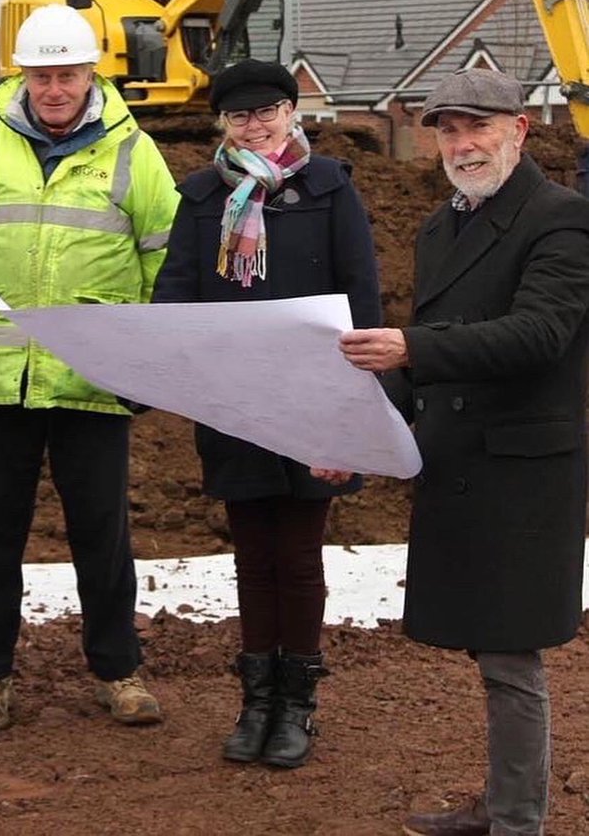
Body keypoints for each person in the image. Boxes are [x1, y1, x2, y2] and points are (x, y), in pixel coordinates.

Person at [340, 67, 589, 836]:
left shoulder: (562, 221)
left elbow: (538, 334)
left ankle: (519, 821)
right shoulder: (438, 224)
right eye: (447, 129)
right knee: (487, 646)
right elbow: (422, 366)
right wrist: (352, 435)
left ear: (518, 130)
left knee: (512, 654)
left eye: (477, 127)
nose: (461, 143)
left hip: (523, 469)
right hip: (457, 463)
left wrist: (410, 347)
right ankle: (502, 803)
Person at [0, 3, 178, 734]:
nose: (53, 88)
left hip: (91, 377)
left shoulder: (133, 152)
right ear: (22, 77)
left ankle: (118, 669)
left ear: (89, 74)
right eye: (41, 76)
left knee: (100, 534)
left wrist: (129, 350)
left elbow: (162, 255)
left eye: (66, 74)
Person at [151, 59, 381, 769]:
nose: (256, 125)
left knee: (299, 554)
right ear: (223, 124)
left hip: (316, 399)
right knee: (254, 556)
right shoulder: (197, 200)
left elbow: (360, 295)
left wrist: (352, 410)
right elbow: (176, 296)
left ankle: (298, 704)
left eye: (268, 111)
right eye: (240, 116)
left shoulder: (329, 188)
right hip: (236, 401)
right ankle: (256, 702)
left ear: (291, 111)